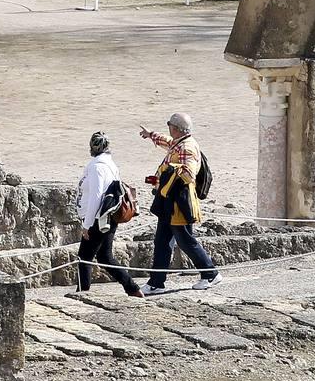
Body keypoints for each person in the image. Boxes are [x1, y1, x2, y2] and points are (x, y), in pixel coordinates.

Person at [138, 112, 219, 294]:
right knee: (162, 241)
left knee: (185, 241)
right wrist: (151, 134)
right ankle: (156, 283)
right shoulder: (180, 142)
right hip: (169, 200)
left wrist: (168, 170)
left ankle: (211, 274)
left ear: (175, 128)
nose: (169, 129)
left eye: (169, 125)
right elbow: (168, 142)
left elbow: (189, 174)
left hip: (179, 201)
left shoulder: (187, 148)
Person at [75, 131, 143, 297]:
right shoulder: (111, 165)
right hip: (109, 217)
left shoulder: (97, 167)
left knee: (84, 257)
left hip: (99, 219)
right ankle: (132, 288)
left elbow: (96, 197)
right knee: (105, 257)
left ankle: (82, 293)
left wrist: (87, 224)